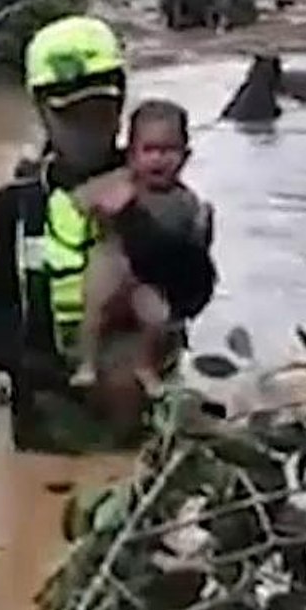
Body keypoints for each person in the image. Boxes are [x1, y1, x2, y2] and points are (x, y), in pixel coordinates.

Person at [0, 16, 215, 454]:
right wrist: (48, 371)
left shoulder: (166, 197)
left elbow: (193, 292)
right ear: (42, 111)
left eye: (100, 111)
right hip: (49, 427)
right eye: (70, 115)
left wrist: (133, 220)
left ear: (119, 108)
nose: (87, 127)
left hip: (145, 421)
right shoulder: (11, 208)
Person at [70, 99, 217, 393]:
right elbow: (77, 200)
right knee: (95, 306)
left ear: (185, 156)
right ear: (131, 155)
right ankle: (86, 363)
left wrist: (202, 229)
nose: (158, 159)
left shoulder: (185, 201)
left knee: (157, 317)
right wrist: (101, 203)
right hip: (112, 263)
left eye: (169, 150)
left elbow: (188, 255)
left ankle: (145, 366)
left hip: (147, 280)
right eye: (149, 150)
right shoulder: (120, 182)